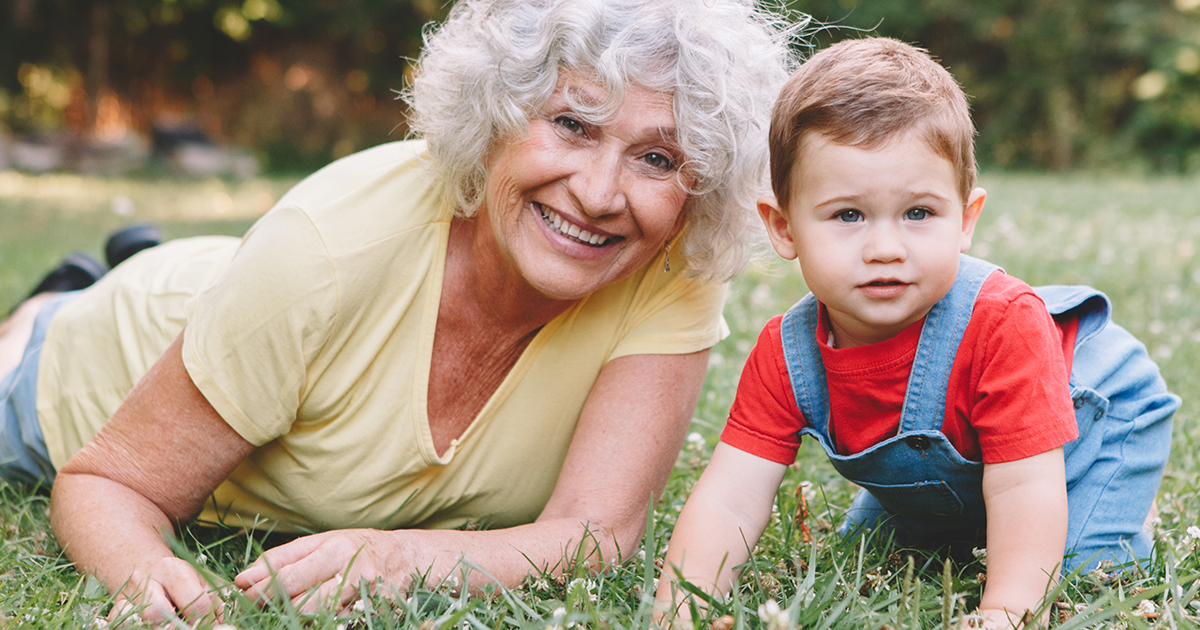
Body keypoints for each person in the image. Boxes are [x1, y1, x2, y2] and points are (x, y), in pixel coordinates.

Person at [0, 0, 800, 622]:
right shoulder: (327, 248)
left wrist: (391, 558)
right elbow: (104, 482)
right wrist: (153, 583)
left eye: (656, 157)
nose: (598, 193)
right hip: (91, 358)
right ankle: (46, 310)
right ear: (494, 117)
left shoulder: (667, 261)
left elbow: (598, 534)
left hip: (250, 299)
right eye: (571, 124)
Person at [655, 37, 1179, 628]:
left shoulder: (1003, 325)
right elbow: (730, 497)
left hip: (1093, 430)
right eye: (847, 215)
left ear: (965, 220)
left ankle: (1120, 498)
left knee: (1078, 565)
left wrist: (1005, 610)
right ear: (783, 227)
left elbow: (1023, 487)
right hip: (979, 462)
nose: (885, 249)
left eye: (919, 213)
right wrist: (682, 607)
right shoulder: (788, 352)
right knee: (878, 555)